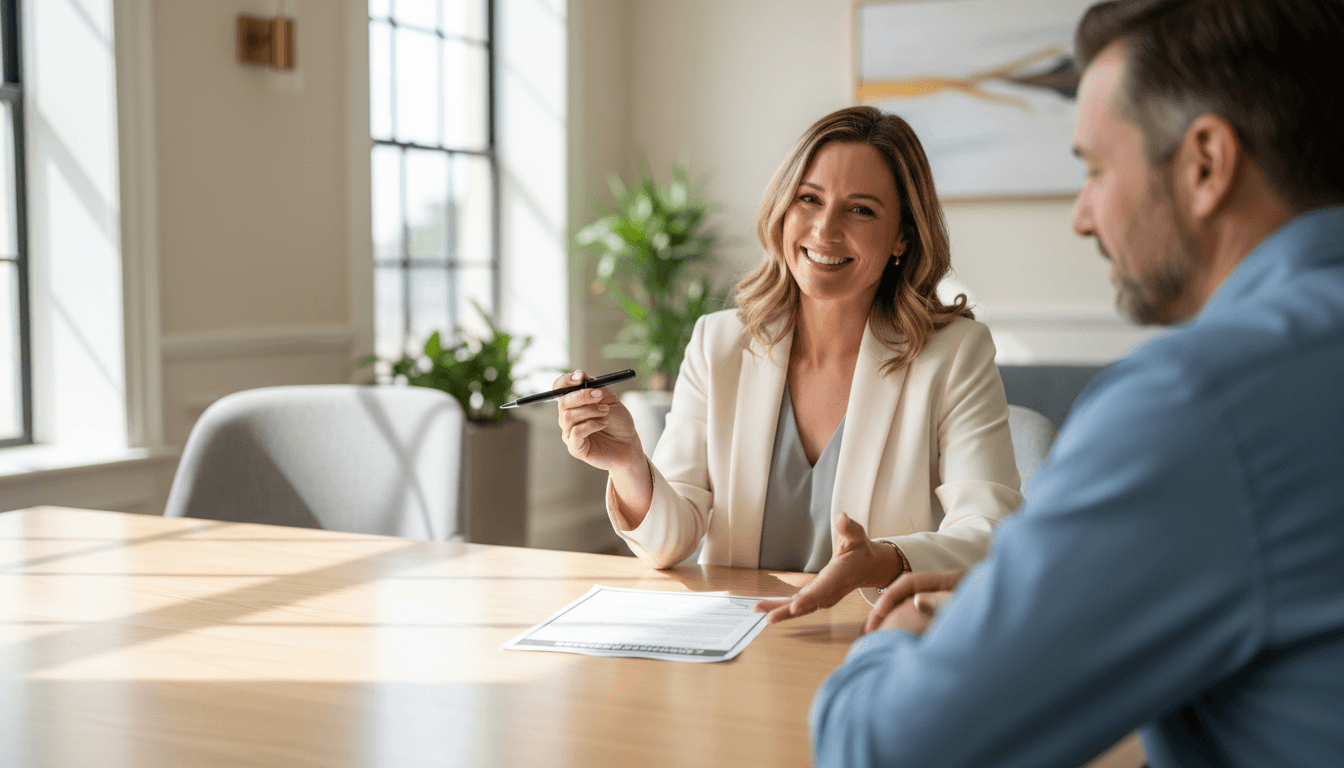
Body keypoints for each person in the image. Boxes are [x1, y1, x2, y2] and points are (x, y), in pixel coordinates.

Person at [811, 0, 1344, 766]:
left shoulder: (1195, 405)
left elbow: (881, 750)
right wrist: (1032, 610)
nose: (1083, 217)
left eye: (1095, 169)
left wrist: (899, 640)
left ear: (1205, 164)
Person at [555, 106, 1023, 614]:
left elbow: (991, 532)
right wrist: (627, 463)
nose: (825, 230)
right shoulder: (719, 344)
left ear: (902, 237)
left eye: (861, 209)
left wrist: (886, 560)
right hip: (738, 642)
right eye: (809, 199)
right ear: (782, 210)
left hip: (873, 639)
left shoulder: (955, 354)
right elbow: (672, 540)